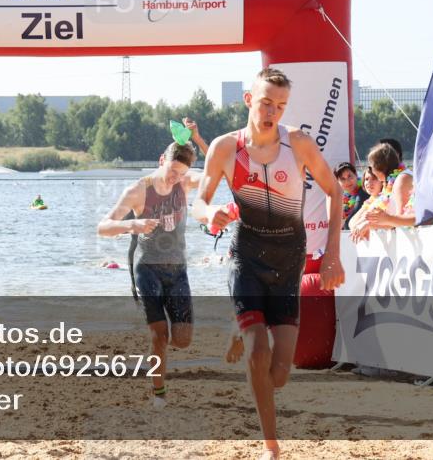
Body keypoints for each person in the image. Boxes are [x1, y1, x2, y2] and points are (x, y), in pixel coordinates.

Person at [192, 67, 345, 460]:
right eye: (265, 103)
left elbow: (335, 191)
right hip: (246, 255)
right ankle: (271, 446)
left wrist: (331, 253)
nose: (272, 112)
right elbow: (199, 201)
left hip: (289, 257)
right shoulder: (226, 148)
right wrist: (209, 214)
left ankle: (239, 329)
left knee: (278, 374)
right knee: (259, 355)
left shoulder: (298, 143)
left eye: (280, 105)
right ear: (248, 100)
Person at [97, 118, 208, 409]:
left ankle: (161, 343)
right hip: (146, 268)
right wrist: (133, 224)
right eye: (171, 170)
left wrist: (197, 139)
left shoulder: (184, 183)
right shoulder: (138, 190)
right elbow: (103, 227)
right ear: (162, 160)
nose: (174, 178)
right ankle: (159, 394)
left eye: (181, 173)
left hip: (177, 269)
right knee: (159, 335)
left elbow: (218, 171)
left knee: (181, 340)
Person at [350, 143, 415, 240]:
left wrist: (369, 225)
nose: (371, 170)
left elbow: (402, 222)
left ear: (379, 166)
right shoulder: (389, 183)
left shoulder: (402, 179)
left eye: (371, 166)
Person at [335, 162, 369, 230]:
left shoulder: (364, 192)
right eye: (343, 179)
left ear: (356, 175)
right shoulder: (345, 196)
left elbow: (348, 224)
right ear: (338, 182)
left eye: (349, 176)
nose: (347, 181)